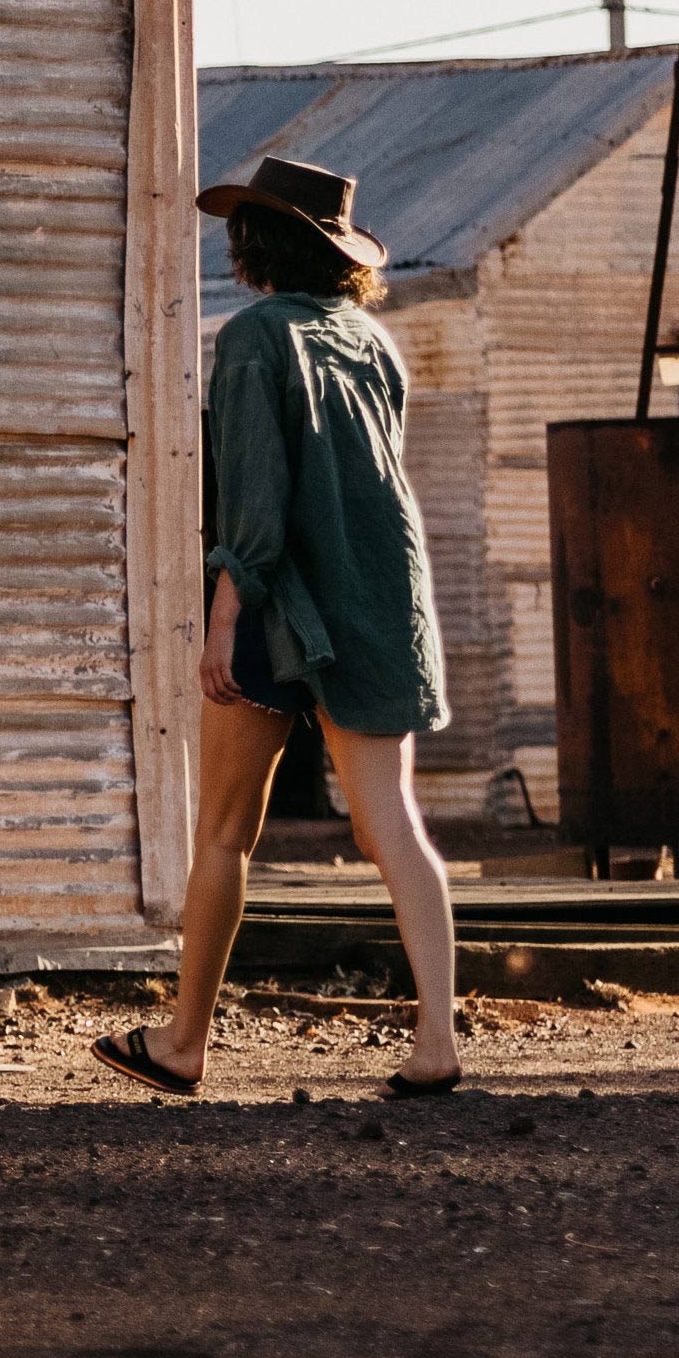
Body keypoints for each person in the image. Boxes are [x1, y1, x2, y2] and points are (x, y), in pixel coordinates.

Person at [97, 153, 468, 1099]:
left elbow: (254, 503)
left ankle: (183, 1044)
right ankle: (436, 1041)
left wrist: (226, 615)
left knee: (224, 832)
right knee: (393, 823)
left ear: (262, 240)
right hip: (381, 594)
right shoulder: (372, 343)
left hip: (282, 603)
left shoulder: (258, 337)